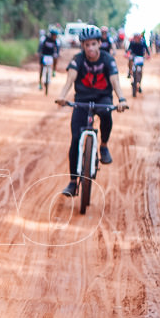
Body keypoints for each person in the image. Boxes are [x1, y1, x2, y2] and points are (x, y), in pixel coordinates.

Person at [54, 25, 128, 197]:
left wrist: (122, 99)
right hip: (82, 100)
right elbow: (69, 80)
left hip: (103, 98)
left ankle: (103, 146)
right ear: (82, 46)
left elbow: (115, 81)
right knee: (75, 140)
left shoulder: (108, 59)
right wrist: (62, 96)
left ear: (99, 43)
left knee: (106, 115)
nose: (90, 48)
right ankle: (73, 182)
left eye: (93, 44)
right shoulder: (77, 60)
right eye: (86, 45)